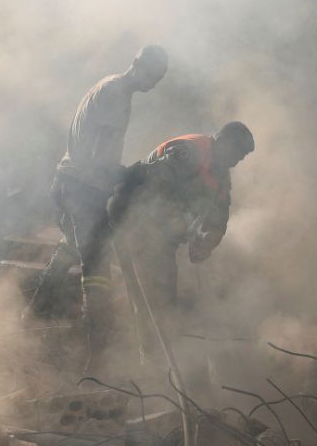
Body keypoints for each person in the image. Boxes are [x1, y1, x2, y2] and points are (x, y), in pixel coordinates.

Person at [26, 46, 168, 366]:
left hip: (70, 182)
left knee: (72, 247)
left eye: (159, 80)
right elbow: (100, 156)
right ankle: (98, 347)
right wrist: (131, 174)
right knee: (97, 264)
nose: (154, 84)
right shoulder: (117, 96)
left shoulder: (109, 86)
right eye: (154, 76)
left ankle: (35, 310)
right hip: (82, 187)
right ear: (138, 64)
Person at [108, 121, 255, 358]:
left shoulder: (220, 178)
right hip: (137, 226)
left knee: (165, 299)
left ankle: (159, 358)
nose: (237, 161)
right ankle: (152, 361)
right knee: (152, 299)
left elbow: (218, 220)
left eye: (241, 158)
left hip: (163, 240)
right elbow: (149, 186)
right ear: (224, 142)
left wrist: (205, 245)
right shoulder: (191, 152)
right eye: (237, 153)